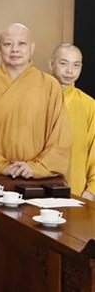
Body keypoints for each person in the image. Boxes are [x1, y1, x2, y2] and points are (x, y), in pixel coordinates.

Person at [0, 23, 71, 179]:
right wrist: (1, 165)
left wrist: (34, 168)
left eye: (21, 44)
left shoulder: (50, 85)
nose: (15, 49)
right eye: (8, 44)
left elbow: (60, 139)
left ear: (32, 48)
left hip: (36, 178)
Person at [49, 43, 95, 200]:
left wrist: (91, 192)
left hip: (76, 192)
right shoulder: (37, 98)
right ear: (51, 64)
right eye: (64, 64)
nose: (70, 71)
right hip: (35, 187)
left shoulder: (89, 105)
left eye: (76, 65)